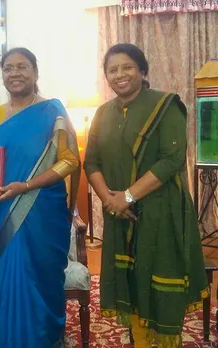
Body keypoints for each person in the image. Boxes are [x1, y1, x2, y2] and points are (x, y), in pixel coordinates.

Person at [84, 43, 208, 347]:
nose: (120, 74)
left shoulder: (166, 105)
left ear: (142, 70)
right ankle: (139, 341)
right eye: (112, 69)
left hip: (159, 211)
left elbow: (171, 160)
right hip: (120, 214)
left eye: (127, 67)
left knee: (160, 279)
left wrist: (126, 196)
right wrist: (110, 200)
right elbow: (91, 162)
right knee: (131, 283)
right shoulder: (103, 112)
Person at [0, 47, 81, 348]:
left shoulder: (53, 111)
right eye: (8, 68)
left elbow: (70, 161)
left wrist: (26, 185)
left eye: (22, 67)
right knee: (13, 275)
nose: (15, 73)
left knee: (43, 275)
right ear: (2, 75)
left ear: (35, 72)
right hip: (2, 208)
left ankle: (46, 337)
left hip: (43, 209)